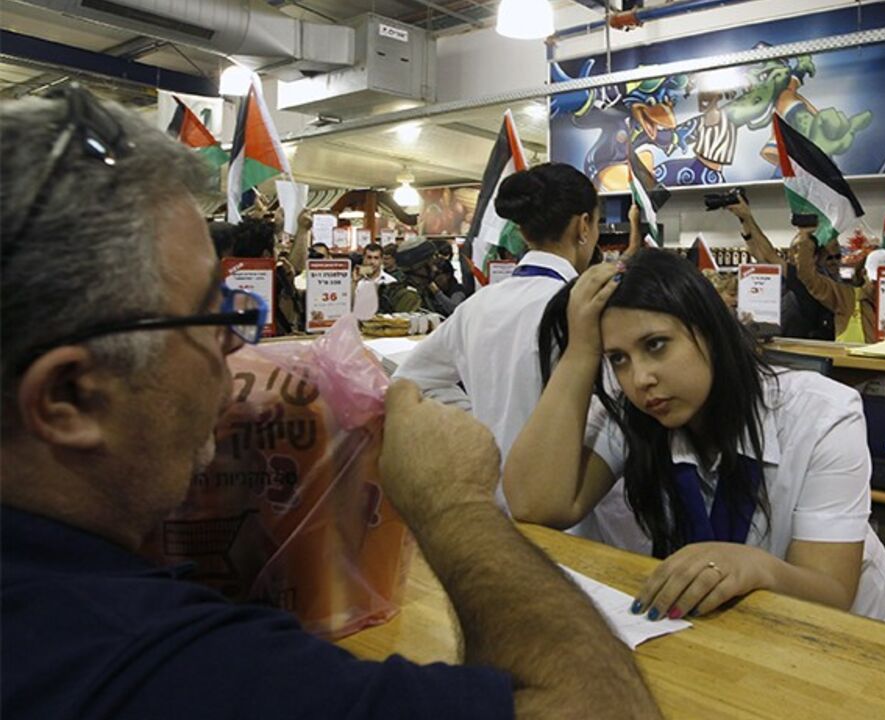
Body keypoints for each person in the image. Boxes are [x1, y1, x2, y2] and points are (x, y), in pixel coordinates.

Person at [0, 89, 659, 720]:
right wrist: (452, 499)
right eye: (208, 315)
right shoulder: (158, 668)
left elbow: (413, 380)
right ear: (68, 398)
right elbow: (598, 707)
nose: (235, 346)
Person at [504, 250, 885, 626]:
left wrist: (755, 567)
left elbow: (832, 592)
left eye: (656, 345)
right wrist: (580, 351)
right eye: (618, 359)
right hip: (735, 635)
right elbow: (535, 503)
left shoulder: (823, 414)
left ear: (711, 332)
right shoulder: (631, 412)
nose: (640, 378)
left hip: (850, 641)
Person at [394, 162, 603, 466]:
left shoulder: (476, 307)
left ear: (521, 230)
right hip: (568, 490)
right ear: (583, 225)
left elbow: (408, 381)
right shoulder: (586, 307)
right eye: (597, 223)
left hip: (492, 489)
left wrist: (481, 419)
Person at [726, 198, 837, 340]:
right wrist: (743, 221)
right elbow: (758, 252)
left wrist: (748, 216)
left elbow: (769, 255)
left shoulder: (810, 282)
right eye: (794, 250)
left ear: (814, 257)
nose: (796, 255)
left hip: (802, 352)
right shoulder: (787, 279)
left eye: (801, 251)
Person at [361, 242, 422, 314]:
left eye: (387, 259)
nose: (384, 262)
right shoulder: (360, 278)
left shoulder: (394, 280)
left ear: (394, 259)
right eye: (369, 257)